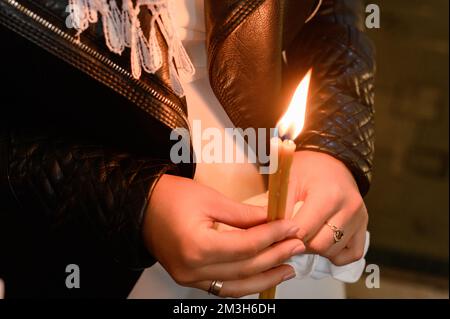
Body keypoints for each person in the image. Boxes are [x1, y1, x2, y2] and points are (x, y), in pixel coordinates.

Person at [0, 0, 374, 298]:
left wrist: (332, 144)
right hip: (97, 259)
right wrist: (130, 203)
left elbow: (335, 13)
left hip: (294, 233)